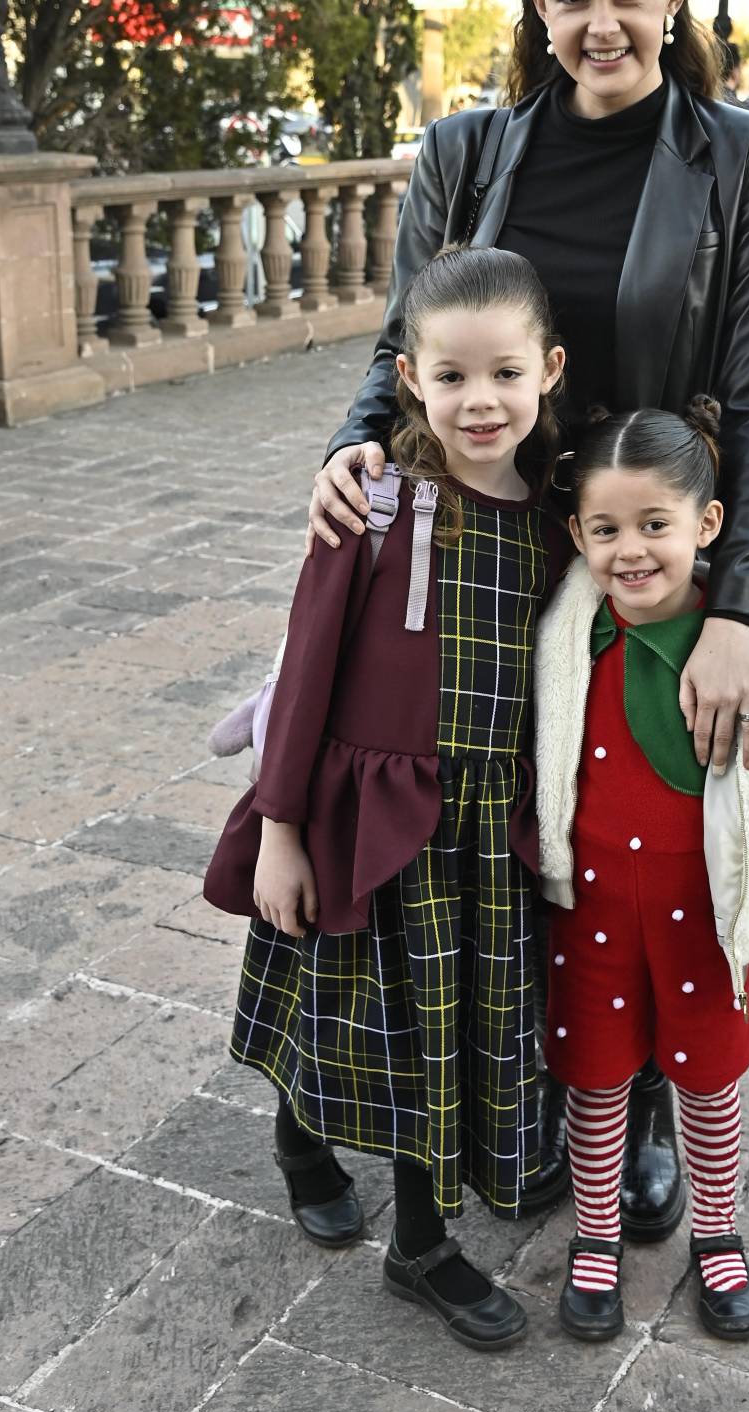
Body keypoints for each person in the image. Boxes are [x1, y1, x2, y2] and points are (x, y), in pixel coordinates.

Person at [304, 0, 749, 1234]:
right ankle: (524, 1087)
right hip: (480, 538)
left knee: (644, 847)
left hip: (642, 559)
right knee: (499, 834)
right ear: (536, 4)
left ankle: (642, 1104)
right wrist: (352, 444)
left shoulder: (738, 162)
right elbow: (397, 345)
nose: (601, 23)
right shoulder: (468, 154)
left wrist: (735, 611)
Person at [202, 246, 568, 1351]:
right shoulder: (372, 502)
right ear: (409, 377)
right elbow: (306, 668)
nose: (479, 400)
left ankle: (409, 1228)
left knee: (440, 1035)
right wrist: (279, 829)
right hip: (365, 821)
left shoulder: (557, 521)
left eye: (503, 372)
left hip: (480, 841)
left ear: (546, 370)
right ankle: (323, 1159)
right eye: (450, 376)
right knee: (341, 1011)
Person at [532, 402, 749, 1342]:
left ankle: (716, 1234)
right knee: (593, 1082)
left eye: (654, 526)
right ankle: (595, 1238)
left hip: (702, 927)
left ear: (707, 525)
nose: (629, 551)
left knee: (708, 1086)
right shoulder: (563, 633)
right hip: (588, 916)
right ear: (576, 533)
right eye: (605, 529)